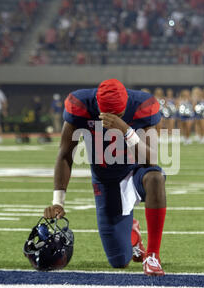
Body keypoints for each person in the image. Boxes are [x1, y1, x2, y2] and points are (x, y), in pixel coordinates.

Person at [43, 79, 167, 276]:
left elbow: (151, 159)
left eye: (116, 115)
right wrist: (58, 201)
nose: (109, 120)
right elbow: (65, 154)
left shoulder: (142, 105)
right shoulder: (81, 104)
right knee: (119, 261)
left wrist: (125, 129)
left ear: (126, 105)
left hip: (136, 172)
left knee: (156, 178)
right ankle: (132, 233)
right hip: (106, 180)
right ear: (97, 106)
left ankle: (152, 255)